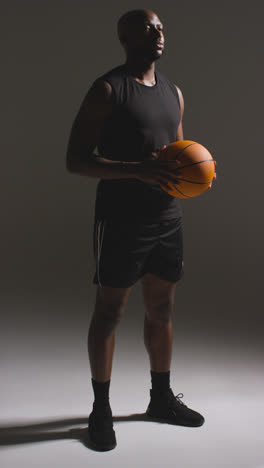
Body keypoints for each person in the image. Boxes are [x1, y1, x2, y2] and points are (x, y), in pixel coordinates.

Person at [66, 8, 216, 451]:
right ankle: (100, 410)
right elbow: (76, 160)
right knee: (110, 313)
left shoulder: (174, 92)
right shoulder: (107, 89)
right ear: (124, 36)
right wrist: (138, 171)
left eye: (161, 27)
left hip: (167, 219)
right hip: (121, 219)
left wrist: (200, 174)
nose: (158, 33)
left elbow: (179, 154)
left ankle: (161, 399)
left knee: (162, 310)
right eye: (148, 27)